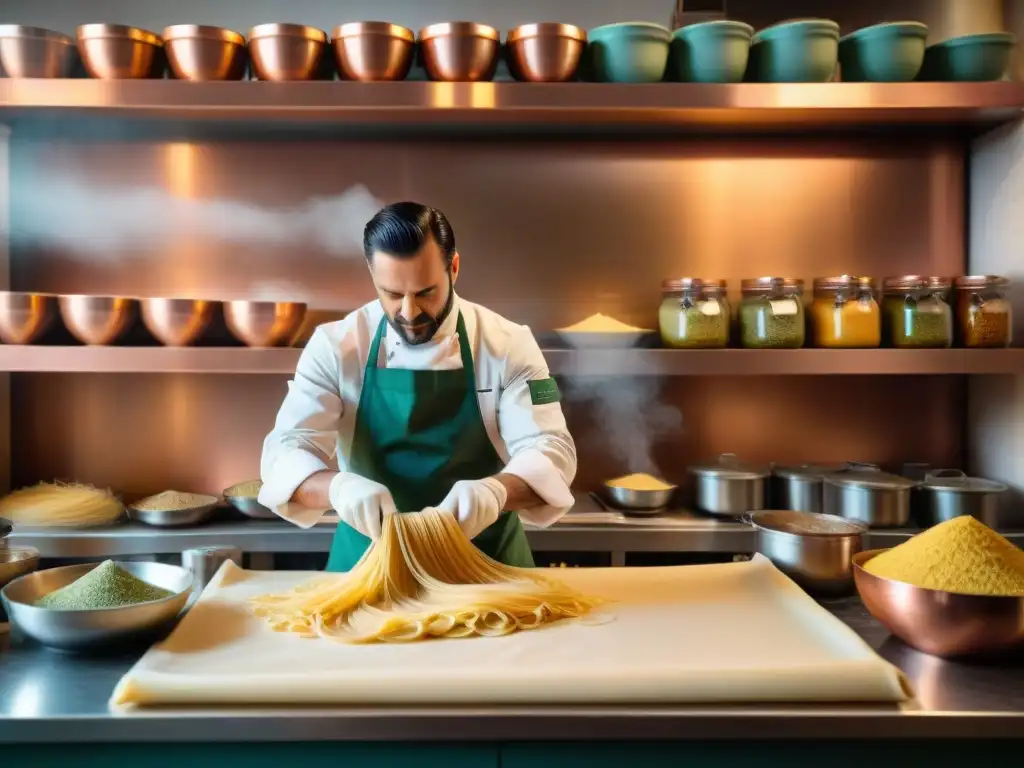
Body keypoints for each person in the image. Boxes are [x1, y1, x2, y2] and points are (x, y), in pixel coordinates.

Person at [258, 202, 577, 571]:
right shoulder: (335, 345)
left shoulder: (508, 343)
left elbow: (553, 448)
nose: (409, 312)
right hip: (369, 566)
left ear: (453, 268)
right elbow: (285, 451)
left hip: (486, 565)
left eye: (425, 292)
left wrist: (495, 492)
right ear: (372, 273)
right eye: (392, 294)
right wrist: (338, 489)